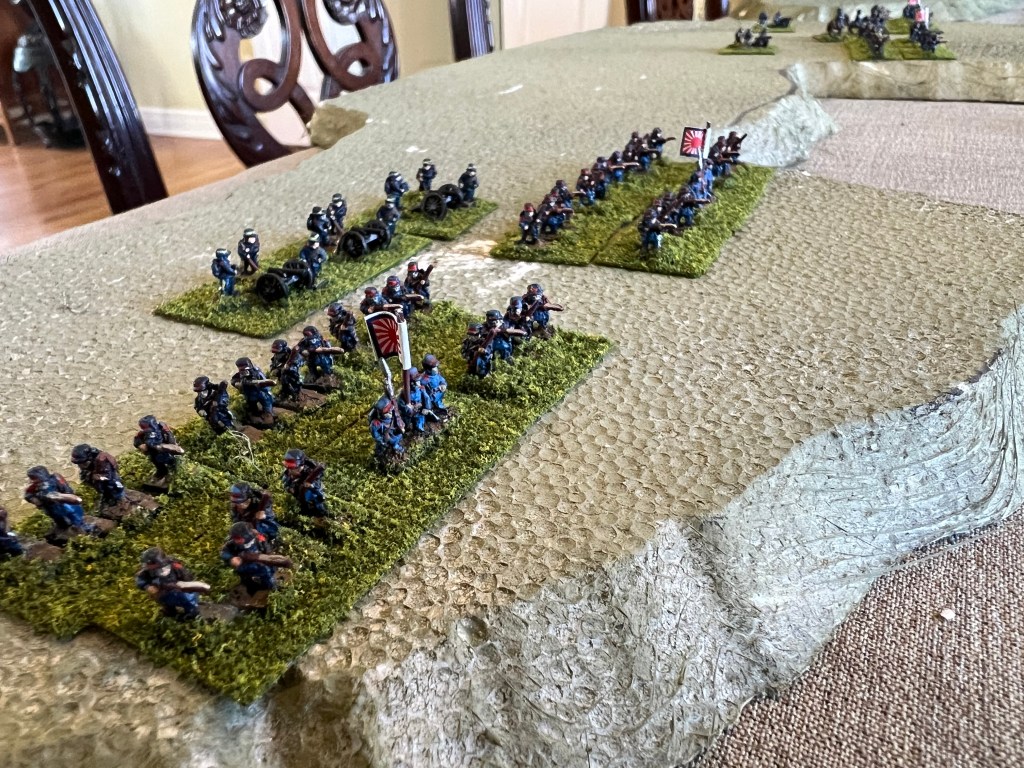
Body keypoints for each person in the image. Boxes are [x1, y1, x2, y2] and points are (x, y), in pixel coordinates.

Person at [135, 547, 206, 620]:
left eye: (149, 563)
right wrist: (147, 586)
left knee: (187, 598)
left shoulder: (174, 566)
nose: (146, 565)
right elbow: (140, 579)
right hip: (162, 592)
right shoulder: (147, 571)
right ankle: (170, 610)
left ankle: (192, 611)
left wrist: (184, 586)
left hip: (180, 590)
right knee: (163, 599)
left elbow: (187, 578)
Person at [23, 465, 93, 538]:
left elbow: (67, 490)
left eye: (34, 478)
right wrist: (36, 500)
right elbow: (28, 495)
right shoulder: (33, 487)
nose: (31, 481)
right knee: (60, 519)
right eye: (32, 478)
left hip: (64, 503)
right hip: (50, 506)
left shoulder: (55, 478)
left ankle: (81, 526)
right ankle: (64, 527)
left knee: (74, 514)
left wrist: (61, 496)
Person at [220, 522, 280, 594]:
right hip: (244, 565)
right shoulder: (232, 544)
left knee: (267, 570)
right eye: (234, 538)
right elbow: (224, 552)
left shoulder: (259, 539)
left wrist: (269, 560)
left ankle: (271, 585)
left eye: (238, 538)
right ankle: (254, 588)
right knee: (250, 580)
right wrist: (231, 558)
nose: (236, 541)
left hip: (260, 562)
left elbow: (267, 550)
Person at [70, 443, 125, 507]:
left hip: (110, 480)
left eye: (81, 464)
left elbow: (107, 477)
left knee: (114, 488)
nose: (80, 466)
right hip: (99, 476)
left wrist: (94, 477)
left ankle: (118, 499)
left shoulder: (102, 461)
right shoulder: (90, 461)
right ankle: (108, 496)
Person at [134, 415, 182, 485]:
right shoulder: (143, 433)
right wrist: (140, 445)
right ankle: (162, 472)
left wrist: (171, 446)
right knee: (156, 460)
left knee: (170, 460)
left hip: (165, 450)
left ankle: (173, 473)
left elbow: (171, 441)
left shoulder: (163, 429)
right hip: (153, 451)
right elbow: (136, 439)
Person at [281, 449, 328, 517]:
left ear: (300, 466)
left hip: (311, 491)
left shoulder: (310, 471)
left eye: (292, 468)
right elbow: (285, 483)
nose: (290, 470)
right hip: (297, 493)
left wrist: (310, 486)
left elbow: (317, 486)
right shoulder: (287, 472)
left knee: (316, 500)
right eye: (288, 468)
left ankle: (322, 514)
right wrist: (289, 488)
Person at [231, 357, 275, 424]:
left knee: (267, 401)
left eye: (243, 369)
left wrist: (266, 389)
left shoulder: (257, 372)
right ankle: (255, 414)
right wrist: (237, 384)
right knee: (252, 404)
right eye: (240, 369)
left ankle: (268, 413)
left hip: (261, 392)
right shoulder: (241, 375)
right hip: (250, 393)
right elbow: (233, 380)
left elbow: (265, 382)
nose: (242, 371)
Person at [369, 396, 405, 460]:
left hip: (393, 433)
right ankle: (380, 456)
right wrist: (382, 441)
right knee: (382, 448)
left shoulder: (393, 411)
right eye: (387, 409)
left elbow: (397, 417)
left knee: (397, 438)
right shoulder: (376, 423)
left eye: (390, 407)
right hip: (385, 438)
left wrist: (400, 425)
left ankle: (396, 446)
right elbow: (376, 435)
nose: (390, 410)